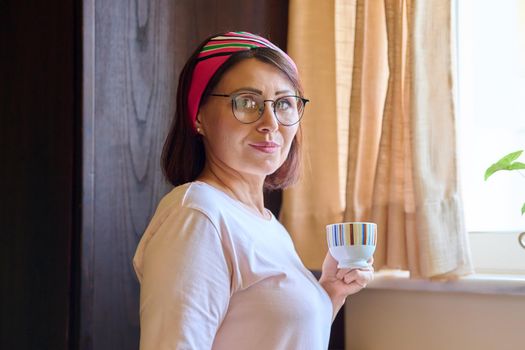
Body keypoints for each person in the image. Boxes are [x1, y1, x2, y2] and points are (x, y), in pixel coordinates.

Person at [133, 31, 374, 350]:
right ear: (198, 115)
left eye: (285, 103)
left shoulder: (264, 223)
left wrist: (330, 291)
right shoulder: (197, 217)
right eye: (247, 102)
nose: (270, 122)